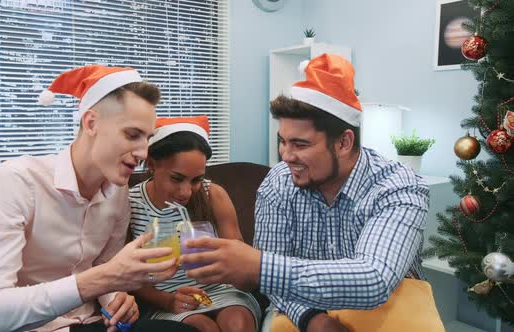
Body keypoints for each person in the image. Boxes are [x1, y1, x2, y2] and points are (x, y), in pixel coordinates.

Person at [180, 54, 430, 332]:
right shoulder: (278, 183)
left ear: (344, 142)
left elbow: (375, 279)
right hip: (300, 304)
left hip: (389, 304)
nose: (286, 155)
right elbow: (274, 284)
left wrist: (259, 266)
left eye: (300, 144)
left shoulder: (398, 187)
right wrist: (311, 318)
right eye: (283, 142)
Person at [0, 65, 197, 332]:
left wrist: (116, 299)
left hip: (91, 323)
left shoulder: (117, 190)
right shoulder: (17, 180)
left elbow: (105, 265)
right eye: (132, 135)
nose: (144, 153)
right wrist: (105, 279)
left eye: (147, 138)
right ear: (91, 123)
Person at [129, 115, 262, 332]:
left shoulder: (213, 195)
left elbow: (240, 258)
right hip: (167, 299)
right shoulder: (130, 205)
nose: (186, 192)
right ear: (152, 164)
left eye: (196, 180)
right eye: (176, 178)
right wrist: (167, 300)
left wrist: (239, 272)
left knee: (237, 324)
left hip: (221, 291)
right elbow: (129, 277)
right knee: (202, 328)